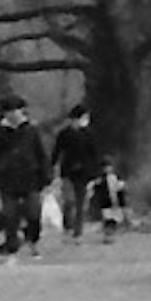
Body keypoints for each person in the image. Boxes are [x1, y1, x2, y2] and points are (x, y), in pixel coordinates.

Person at [0, 95, 51, 257]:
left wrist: (46, 177)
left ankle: (33, 240)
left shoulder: (32, 130)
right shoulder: (1, 132)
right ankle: (11, 248)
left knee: (34, 213)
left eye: (15, 111)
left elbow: (41, 154)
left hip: (31, 179)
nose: (12, 115)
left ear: (21, 111)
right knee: (10, 215)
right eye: (8, 112)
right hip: (7, 180)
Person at [50, 102, 103, 243]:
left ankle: (77, 232)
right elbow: (56, 152)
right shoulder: (64, 134)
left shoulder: (89, 134)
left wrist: (97, 173)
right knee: (69, 201)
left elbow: (95, 154)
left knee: (81, 203)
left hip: (84, 173)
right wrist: (51, 167)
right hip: (68, 172)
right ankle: (68, 227)